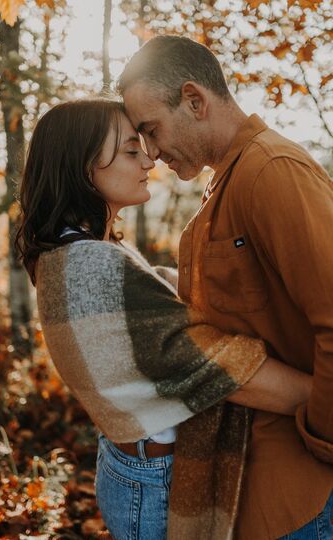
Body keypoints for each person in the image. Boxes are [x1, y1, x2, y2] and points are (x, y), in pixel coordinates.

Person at [15, 99, 313, 540]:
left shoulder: (75, 252)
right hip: (154, 482)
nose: (149, 159)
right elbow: (211, 363)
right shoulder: (90, 266)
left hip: (137, 465)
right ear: (84, 167)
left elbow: (160, 299)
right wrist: (317, 395)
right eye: (131, 151)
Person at [118, 35, 333, 540]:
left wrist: (322, 439)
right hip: (243, 486)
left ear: (194, 100)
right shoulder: (225, 183)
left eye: (152, 130)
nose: (151, 150)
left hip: (298, 494)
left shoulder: (272, 171)